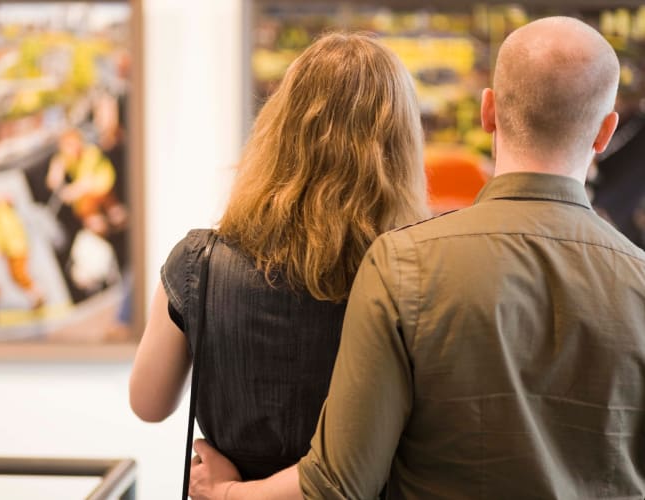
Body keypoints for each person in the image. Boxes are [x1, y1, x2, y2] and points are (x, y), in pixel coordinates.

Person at [189, 16, 645, 499]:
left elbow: (339, 483)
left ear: (489, 111)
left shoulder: (403, 264)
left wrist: (224, 494)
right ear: (605, 132)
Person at [129, 32, 429, 482]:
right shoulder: (415, 271)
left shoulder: (200, 263)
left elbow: (148, 404)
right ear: (399, 147)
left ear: (279, 129)